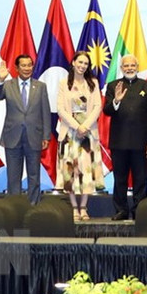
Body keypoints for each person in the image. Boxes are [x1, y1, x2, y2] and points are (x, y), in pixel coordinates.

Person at [0, 53, 51, 205]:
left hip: (34, 136)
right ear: (17, 68)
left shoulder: (40, 86)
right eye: (23, 65)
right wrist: (0, 79)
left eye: (29, 65)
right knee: (13, 176)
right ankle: (14, 206)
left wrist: (46, 136)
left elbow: (45, 111)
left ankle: (33, 206)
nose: (27, 68)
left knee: (34, 175)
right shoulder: (7, 85)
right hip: (12, 136)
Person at [104, 54, 147, 220]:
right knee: (120, 179)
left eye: (132, 65)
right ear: (121, 68)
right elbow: (107, 111)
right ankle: (121, 210)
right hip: (119, 141)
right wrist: (116, 101)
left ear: (137, 67)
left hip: (141, 142)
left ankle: (139, 210)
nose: (129, 68)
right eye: (126, 66)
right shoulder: (113, 86)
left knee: (141, 179)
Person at [55, 51, 104, 220]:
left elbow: (97, 106)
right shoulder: (64, 83)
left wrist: (85, 126)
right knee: (70, 172)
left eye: (86, 63)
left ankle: (83, 207)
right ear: (73, 63)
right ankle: (74, 208)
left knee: (86, 171)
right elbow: (60, 108)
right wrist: (77, 126)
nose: (82, 66)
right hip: (69, 134)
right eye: (80, 62)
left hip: (88, 135)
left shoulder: (93, 83)